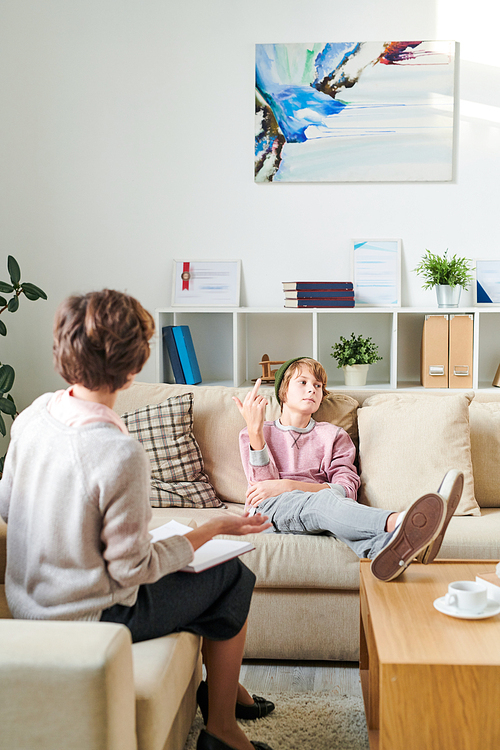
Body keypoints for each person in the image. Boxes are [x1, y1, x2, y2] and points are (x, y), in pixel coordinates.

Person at [0, 289, 275, 750]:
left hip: (28, 602)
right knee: (232, 577)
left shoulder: (33, 414)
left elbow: (8, 507)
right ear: (131, 370)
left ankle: (230, 695)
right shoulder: (118, 452)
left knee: (208, 572)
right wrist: (212, 529)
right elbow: (133, 572)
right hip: (90, 617)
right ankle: (223, 730)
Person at [233, 357, 464, 582]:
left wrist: (290, 485)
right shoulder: (256, 432)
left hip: (321, 513)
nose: (312, 390)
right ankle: (401, 522)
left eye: (318, 385)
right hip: (268, 514)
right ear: (283, 390)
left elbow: (346, 489)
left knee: (341, 520)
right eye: (302, 382)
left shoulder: (334, 436)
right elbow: (262, 490)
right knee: (325, 503)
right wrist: (255, 432)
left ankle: (391, 550)